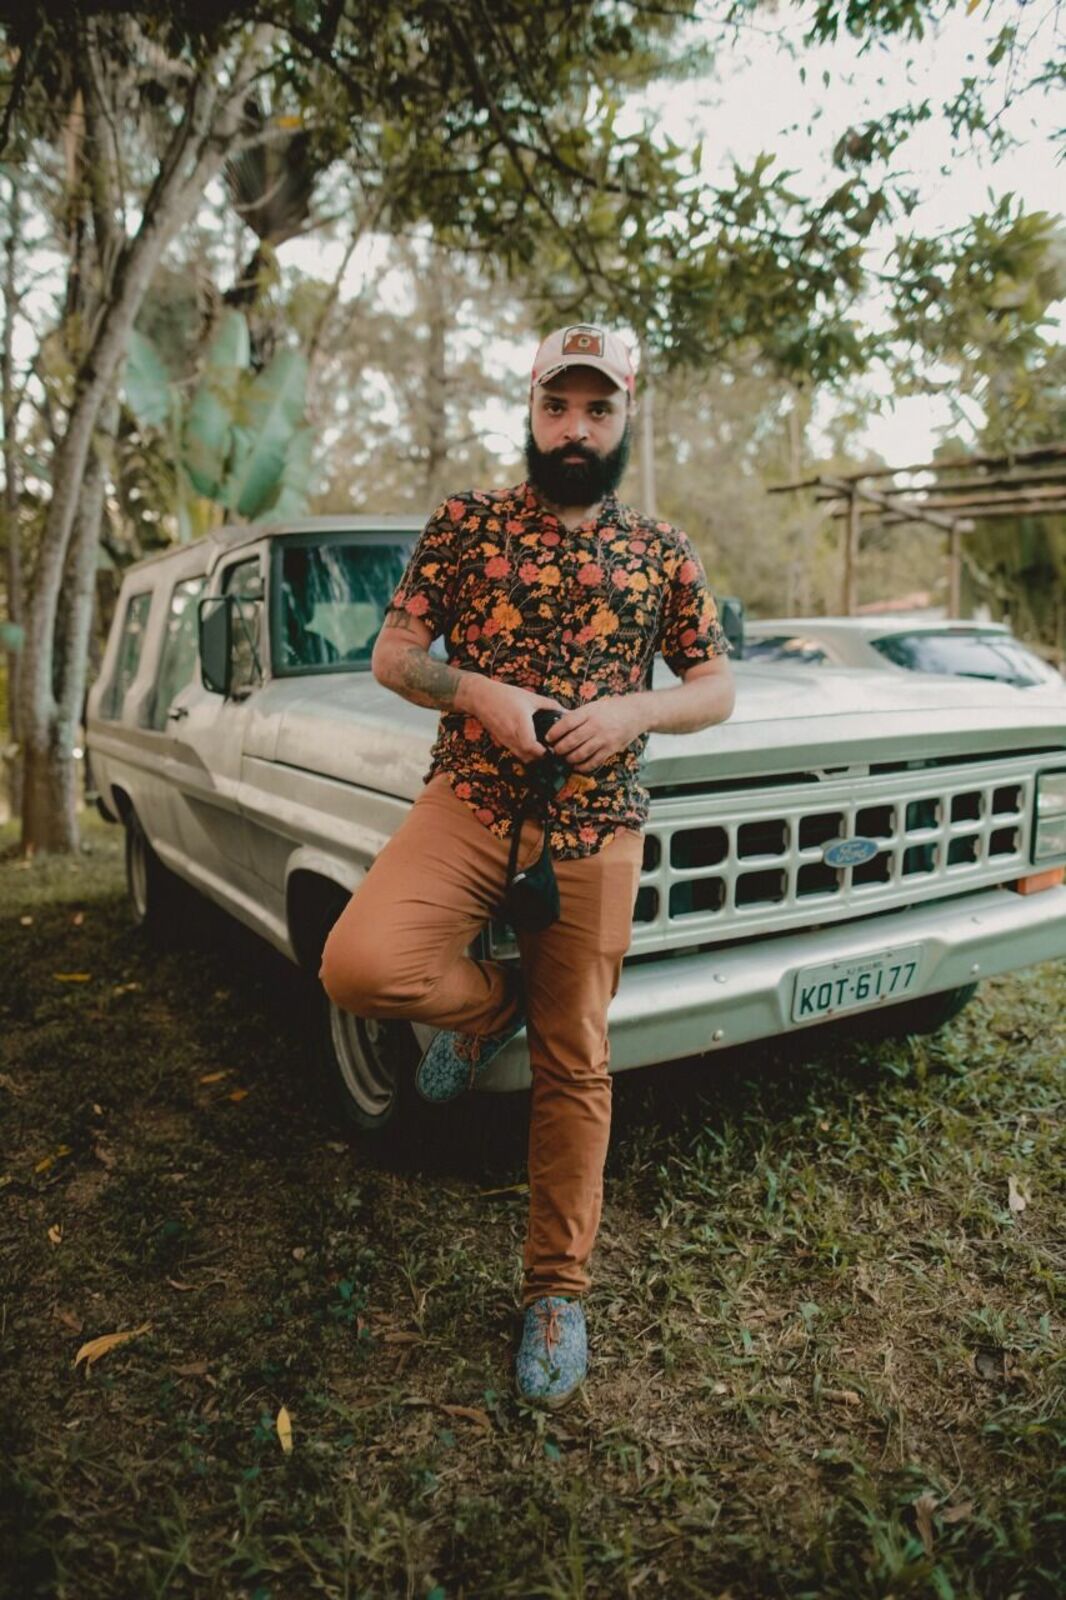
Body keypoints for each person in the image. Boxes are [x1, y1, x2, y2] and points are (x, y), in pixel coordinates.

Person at [320, 323, 735, 1410]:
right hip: (468, 799)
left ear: (626, 415)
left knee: (577, 1059)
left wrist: (637, 708)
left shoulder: (663, 550)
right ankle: (483, 1005)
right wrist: (478, 694)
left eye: (597, 409)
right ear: (532, 405)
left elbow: (714, 685)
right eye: (559, 405)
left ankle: (556, 1290)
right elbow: (395, 656)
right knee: (360, 966)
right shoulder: (464, 525)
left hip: (596, 821)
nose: (575, 428)